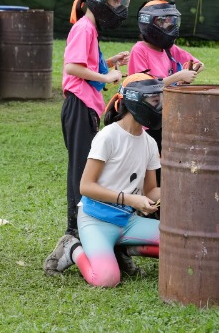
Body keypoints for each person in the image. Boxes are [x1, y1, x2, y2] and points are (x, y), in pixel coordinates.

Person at [44, 0, 138, 276]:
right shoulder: (84, 28)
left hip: (85, 108)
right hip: (78, 106)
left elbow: (86, 64)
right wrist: (107, 77)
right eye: (113, 0)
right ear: (96, 1)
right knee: (82, 170)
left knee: (88, 167)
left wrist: (109, 63)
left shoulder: (90, 30)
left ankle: (84, 228)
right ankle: (74, 230)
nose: (117, 5)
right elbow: (71, 67)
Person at [42, 73, 163, 287]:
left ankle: (120, 249)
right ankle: (72, 248)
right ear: (135, 100)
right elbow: (86, 186)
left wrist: (181, 192)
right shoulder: (108, 136)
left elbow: (151, 190)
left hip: (128, 222)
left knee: (179, 246)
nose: (159, 105)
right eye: (154, 100)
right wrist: (131, 200)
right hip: (95, 221)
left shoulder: (149, 143)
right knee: (107, 280)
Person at [128, 0, 204, 186]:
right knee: (150, 173)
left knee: (165, 170)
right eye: (163, 21)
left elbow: (199, 64)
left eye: (172, 21)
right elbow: (144, 88)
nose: (169, 26)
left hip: (166, 119)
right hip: (147, 122)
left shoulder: (169, 50)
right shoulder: (140, 50)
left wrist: (190, 71)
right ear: (148, 24)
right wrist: (178, 77)